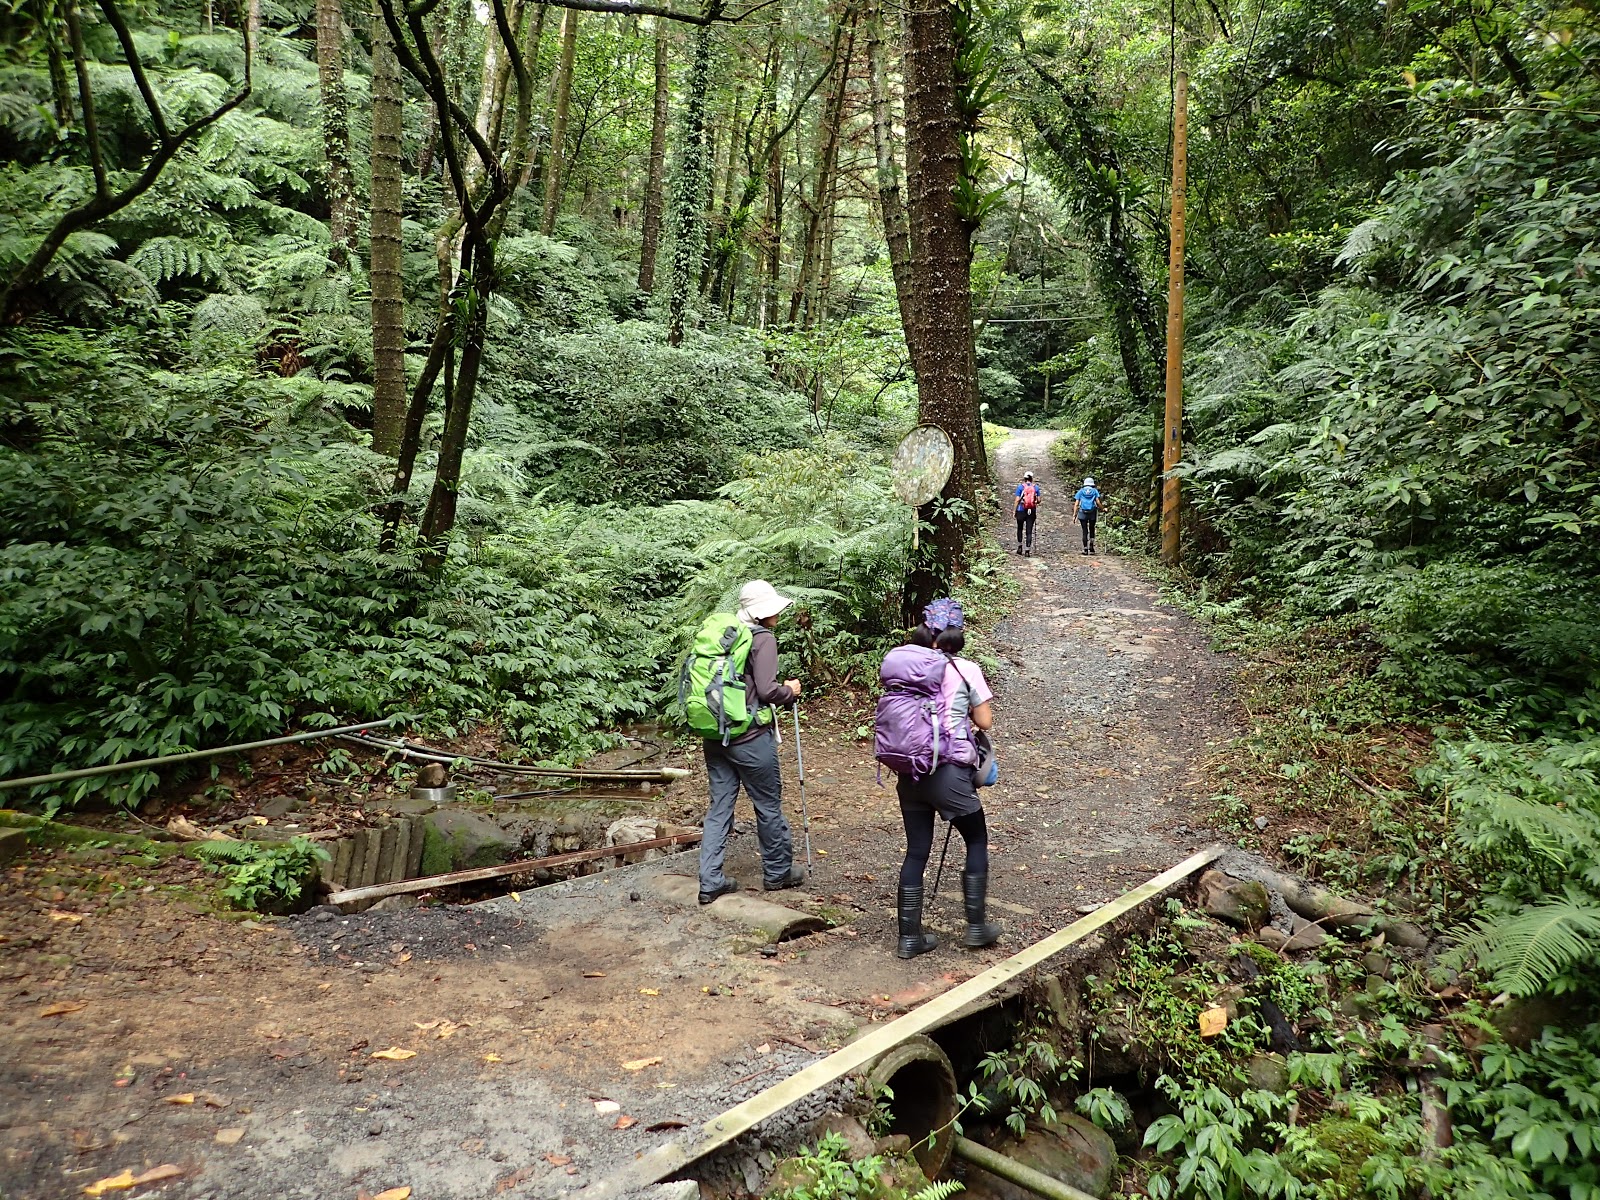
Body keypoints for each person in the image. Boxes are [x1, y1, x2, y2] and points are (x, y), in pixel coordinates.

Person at [878, 598, 1001, 959]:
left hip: (910, 772)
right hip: (948, 774)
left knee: (917, 851)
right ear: (957, 633)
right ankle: (976, 927)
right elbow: (985, 721)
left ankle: (909, 938)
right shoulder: (965, 669)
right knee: (976, 839)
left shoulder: (906, 667)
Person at [695, 580, 805, 905]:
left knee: (719, 808)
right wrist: (790, 692)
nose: (777, 614)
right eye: (773, 609)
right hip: (751, 737)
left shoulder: (726, 634)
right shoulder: (762, 639)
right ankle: (777, 873)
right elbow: (768, 690)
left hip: (717, 735)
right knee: (767, 804)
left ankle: (710, 881)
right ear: (762, 612)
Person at [1072, 476, 1102, 555]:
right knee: (1092, 529)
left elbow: (1076, 504)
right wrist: (1103, 509)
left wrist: (1074, 515)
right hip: (1092, 512)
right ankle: (1091, 547)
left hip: (1082, 513)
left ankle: (1085, 549)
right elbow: (1098, 502)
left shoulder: (1081, 491)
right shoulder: (1094, 491)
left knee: (1084, 530)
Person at [1013, 471, 1041, 556]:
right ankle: (1027, 550)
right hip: (1031, 511)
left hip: (1021, 510)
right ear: (1032, 479)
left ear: (1024, 479)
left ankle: (1019, 547)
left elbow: (1017, 500)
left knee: (1020, 528)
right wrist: (1034, 502)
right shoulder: (1036, 487)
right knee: (1029, 531)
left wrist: (1014, 511)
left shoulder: (1020, 487)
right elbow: (1039, 500)